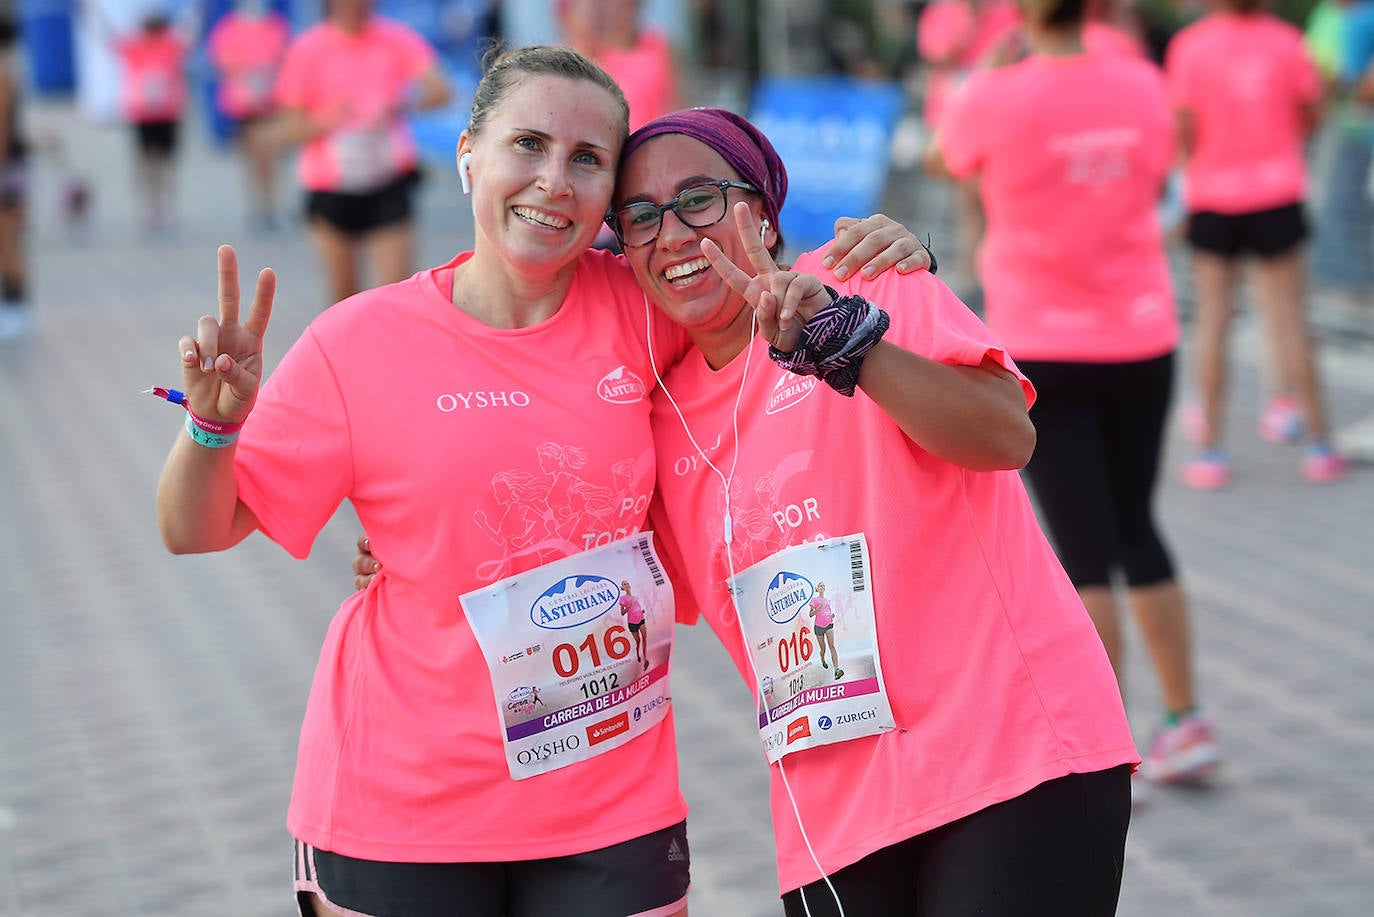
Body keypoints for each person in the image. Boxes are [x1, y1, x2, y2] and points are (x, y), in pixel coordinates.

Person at [156, 44, 926, 917]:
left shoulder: (645, 302)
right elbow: (197, 526)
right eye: (528, 145)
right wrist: (212, 426)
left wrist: (888, 250)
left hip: (610, 805)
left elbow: (771, 305)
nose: (554, 180)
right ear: (466, 155)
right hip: (402, 802)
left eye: (587, 160)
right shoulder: (354, 343)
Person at [359, 105, 1138, 915]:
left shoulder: (861, 282)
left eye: (700, 198)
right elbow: (585, 556)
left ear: (763, 213)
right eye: (641, 216)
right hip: (833, 816)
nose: (673, 233)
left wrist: (854, 348)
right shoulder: (658, 419)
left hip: (1012, 755)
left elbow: (1006, 433)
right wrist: (413, 547)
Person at [927, 0, 1220, 795]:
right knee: (1136, 527)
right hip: (1142, 332)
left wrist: (985, 75)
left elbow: (946, 159)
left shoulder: (992, 95)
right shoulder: (1140, 80)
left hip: (1044, 345)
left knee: (1081, 551)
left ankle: (1109, 749)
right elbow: (1161, 170)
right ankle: (1186, 720)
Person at [1166, 0, 1345, 487]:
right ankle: (1320, 446)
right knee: (1289, 321)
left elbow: (1182, 126)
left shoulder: (1191, 45)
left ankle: (1208, 452)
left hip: (1214, 196)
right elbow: (1310, 110)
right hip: (1275, 192)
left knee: (1213, 323)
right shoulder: (1287, 42)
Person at [273, 0, 452, 305]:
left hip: (388, 178)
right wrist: (329, 119)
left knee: (398, 297)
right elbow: (287, 128)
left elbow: (440, 91)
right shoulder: (308, 48)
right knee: (344, 301)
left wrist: (400, 104)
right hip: (332, 185)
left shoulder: (395, 39)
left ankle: (391, 353)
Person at [207, 0, 292, 232]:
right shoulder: (229, 28)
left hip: (270, 102)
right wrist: (246, 70)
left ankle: (270, 203)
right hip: (242, 104)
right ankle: (258, 204)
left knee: (270, 156)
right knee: (252, 157)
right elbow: (220, 60)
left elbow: (286, 57)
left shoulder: (275, 26)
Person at [109, 6, 189, 232]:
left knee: (165, 161)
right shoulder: (134, 47)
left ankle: (165, 203)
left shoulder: (171, 45)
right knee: (146, 161)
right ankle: (149, 204)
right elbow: (108, 37)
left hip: (167, 112)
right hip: (143, 113)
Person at [0, 10, 30, 339]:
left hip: (5, 170)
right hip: (11, 168)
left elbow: (3, 133)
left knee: (6, 238)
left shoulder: (2, 76)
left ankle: (15, 306)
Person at [807, 582, 841, 678]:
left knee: (832, 646)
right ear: (817, 588)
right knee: (823, 649)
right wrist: (819, 609)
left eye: (823, 585)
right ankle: (822, 659)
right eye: (820, 585)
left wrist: (831, 616)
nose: (822, 587)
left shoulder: (827, 600)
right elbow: (810, 614)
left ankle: (836, 670)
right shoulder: (814, 600)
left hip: (829, 625)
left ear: (824, 589)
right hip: (818, 627)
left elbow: (827, 612)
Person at [619, 579, 650, 668]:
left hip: (641, 619)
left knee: (644, 638)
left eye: (627, 583)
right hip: (632, 623)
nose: (627, 585)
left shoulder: (635, 597)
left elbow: (638, 607)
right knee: (638, 641)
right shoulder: (623, 599)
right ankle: (637, 655)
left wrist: (641, 611)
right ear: (623, 587)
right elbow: (622, 613)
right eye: (624, 584)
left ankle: (645, 659)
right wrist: (628, 607)